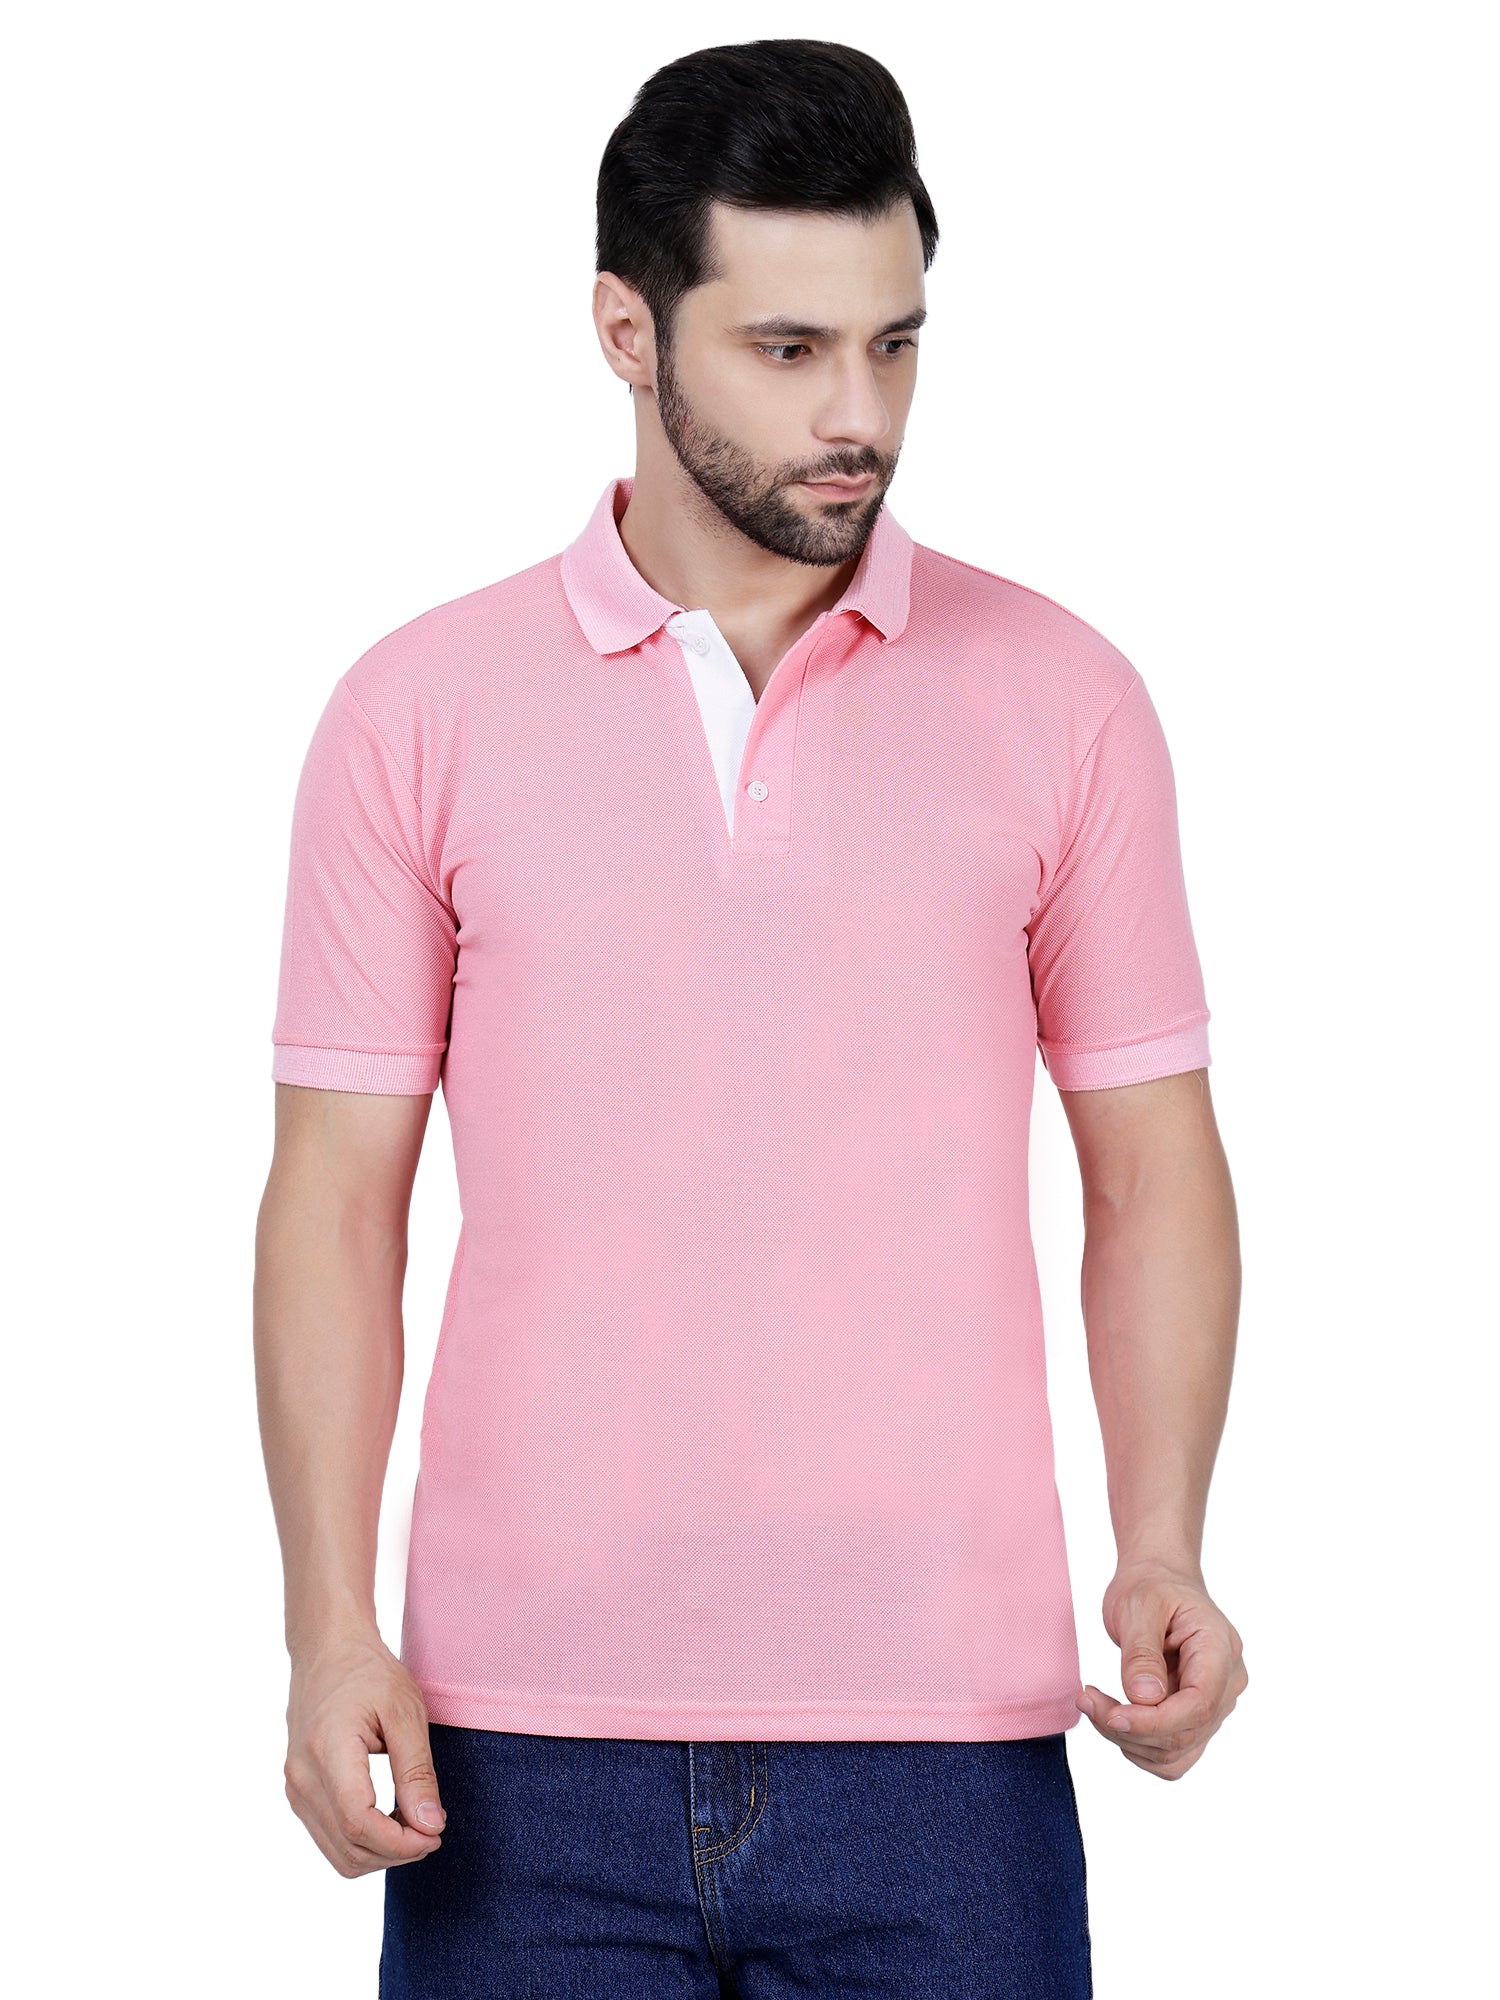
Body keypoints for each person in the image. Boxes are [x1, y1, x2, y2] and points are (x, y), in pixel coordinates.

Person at [254, 35, 1247, 1998]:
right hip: (511, 1751)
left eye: (895, 344)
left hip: (950, 1749)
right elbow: (334, 1205)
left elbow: (1152, 1166)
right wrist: (326, 1626)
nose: (857, 413)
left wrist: (1162, 1541)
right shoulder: (415, 713)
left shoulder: (1067, 701)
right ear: (626, 331)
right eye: (788, 350)